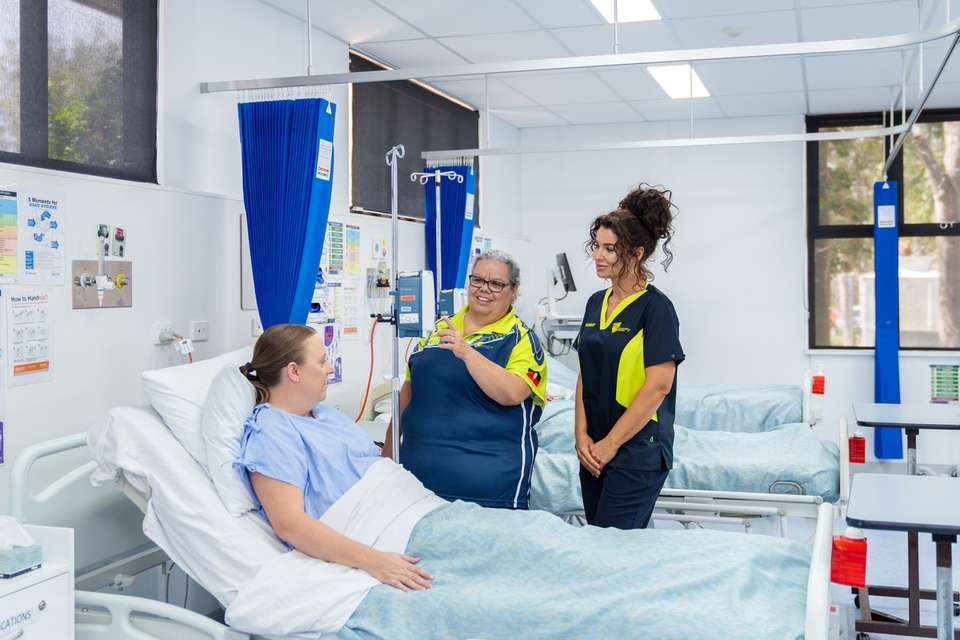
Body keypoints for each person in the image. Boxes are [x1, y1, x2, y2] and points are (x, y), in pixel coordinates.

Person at [236, 324, 433, 592]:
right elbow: (289, 524)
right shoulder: (272, 431)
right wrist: (375, 561)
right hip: (378, 533)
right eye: (321, 361)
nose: (330, 368)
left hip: (413, 510)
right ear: (293, 371)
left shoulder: (323, 413)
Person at [383, 250, 547, 509]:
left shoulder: (521, 339)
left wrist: (468, 353)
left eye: (496, 284)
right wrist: (388, 459)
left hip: (488, 490)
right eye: (477, 280)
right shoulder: (437, 331)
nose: (484, 289)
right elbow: (407, 395)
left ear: (513, 290)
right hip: (416, 485)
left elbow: (512, 393)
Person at [574, 184, 684, 530]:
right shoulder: (595, 303)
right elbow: (584, 373)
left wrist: (610, 444)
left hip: (637, 450)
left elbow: (658, 388)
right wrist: (582, 437)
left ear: (636, 254)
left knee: (613, 549)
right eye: (597, 246)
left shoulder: (656, 309)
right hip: (594, 449)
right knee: (597, 540)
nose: (598, 256)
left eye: (610, 249)